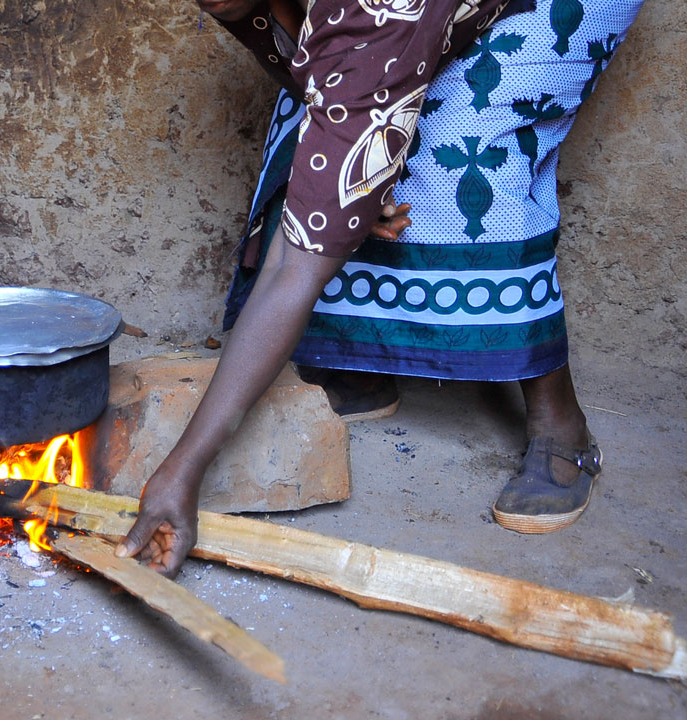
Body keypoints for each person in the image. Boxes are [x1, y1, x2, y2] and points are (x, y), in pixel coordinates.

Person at [116, 0, 645, 577]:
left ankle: (561, 422)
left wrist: (182, 472)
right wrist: (364, 163)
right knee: (321, 140)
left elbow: (293, 265)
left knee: (460, 139)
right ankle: (362, 365)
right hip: (391, 29)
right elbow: (320, 81)